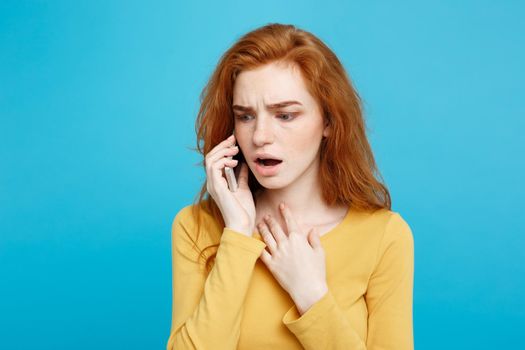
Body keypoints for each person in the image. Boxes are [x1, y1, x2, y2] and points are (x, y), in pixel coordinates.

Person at [166, 23, 414, 350]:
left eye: (284, 115)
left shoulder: (384, 236)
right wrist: (237, 236)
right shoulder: (195, 227)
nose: (259, 137)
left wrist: (311, 294)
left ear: (328, 120)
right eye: (245, 116)